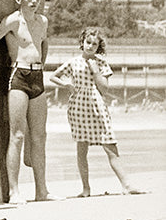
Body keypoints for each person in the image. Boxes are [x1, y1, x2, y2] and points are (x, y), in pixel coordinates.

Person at [0, 0, 52, 204]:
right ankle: (14, 191)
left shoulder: (42, 21)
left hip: (37, 76)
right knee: (18, 135)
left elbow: (43, 44)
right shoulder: (13, 21)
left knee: (40, 136)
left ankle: (42, 191)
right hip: (18, 76)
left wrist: (41, 64)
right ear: (19, 0)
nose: (33, 2)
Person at [48, 25, 142, 196]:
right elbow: (53, 76)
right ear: (82, 42)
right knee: (82, 149)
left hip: (97, 107)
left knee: (110, 144)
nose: (90, 46)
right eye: (88, 42)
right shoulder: (74, 62)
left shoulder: (101, 63)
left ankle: (126, 185)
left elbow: (104, 89)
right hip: (78, 108)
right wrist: (66, 85)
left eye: (94, 44)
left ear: (99, 47)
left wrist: (95, 71)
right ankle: (85, 189)